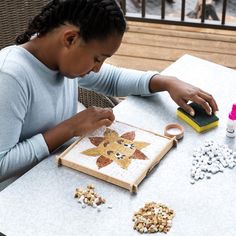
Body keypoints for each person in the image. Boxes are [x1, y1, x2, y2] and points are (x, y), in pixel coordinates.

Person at [0, 0, 218, 182]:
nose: (97, 68)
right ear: (70, 39)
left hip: (60, 169)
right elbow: (2, 165)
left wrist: (166, 82)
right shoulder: (10, 77)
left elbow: (113, 80)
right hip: (19, 192)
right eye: (97, 59)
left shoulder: (57, 59)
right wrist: (70, 128)